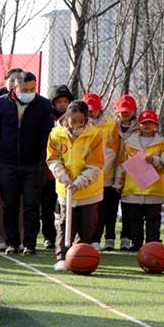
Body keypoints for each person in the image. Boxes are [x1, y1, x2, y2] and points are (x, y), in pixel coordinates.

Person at [0, 71, 53, 255]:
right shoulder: (1, 103)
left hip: (33, 164)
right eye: (25, 89)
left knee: (32, 206)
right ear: (15, 87)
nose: (29, 92)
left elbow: (47, 136)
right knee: (10, 204)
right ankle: (12, 242)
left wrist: (43, 162)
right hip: (6, 163)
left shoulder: (43, 105)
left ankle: (30, 244)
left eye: (32, 89)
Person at [46, 100, 104, 271]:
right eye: (73, 121)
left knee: (86, 226)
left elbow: (96, 164)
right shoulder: (56, 134)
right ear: (67, 117)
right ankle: (62, 257)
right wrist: (63, 178)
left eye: (81, 121)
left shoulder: (95, 134)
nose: (77, 125)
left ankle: (81, 258)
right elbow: (53, 158)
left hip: (88, 189)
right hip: (66, 188)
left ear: (86, 118)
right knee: (65, 224)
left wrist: (79, 182)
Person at [113, 110, 164, 251]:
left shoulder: (162, 144)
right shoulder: (129, 143)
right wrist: (118, 183)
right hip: (132, 188)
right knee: (134, 219)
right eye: (144, 123)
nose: (147, 125)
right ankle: (136, 243)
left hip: (154, 189)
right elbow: (122, 164)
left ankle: (153, 242)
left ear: (156, 124)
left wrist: (155, 160)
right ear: (139, 125)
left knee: (153, 219)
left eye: (150, 122)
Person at [82, 92, 118, 251]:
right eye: (88, 110)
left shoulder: (111, 124)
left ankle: (96, 238)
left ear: (100, 108)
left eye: (94, 110)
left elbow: (112, 150)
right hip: (81, 174)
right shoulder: (78, 124)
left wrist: (98, 169)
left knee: (100, 209)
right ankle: (82, 238)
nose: (91, 113)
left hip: (103, 174)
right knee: (84, 209)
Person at [43, 85, 75, 249]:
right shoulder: (47, 118)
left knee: (66, 206)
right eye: (59, 101)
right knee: (47, 205)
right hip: (50, 170)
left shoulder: (75, 120)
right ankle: (49, 235)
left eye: (66, 101)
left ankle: (69, 236)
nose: (63, 105)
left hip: (69, 169)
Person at [110, 95, 139, 251]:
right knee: (111, 208)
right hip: (112, 171)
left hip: (132, 174)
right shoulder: (111, 127)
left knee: (129, 209)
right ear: (117, 112)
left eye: (128, 111)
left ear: (134, 111)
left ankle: (126, 239)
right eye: (122, 111)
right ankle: (109, 238)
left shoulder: (140, 129)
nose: (125, 113)